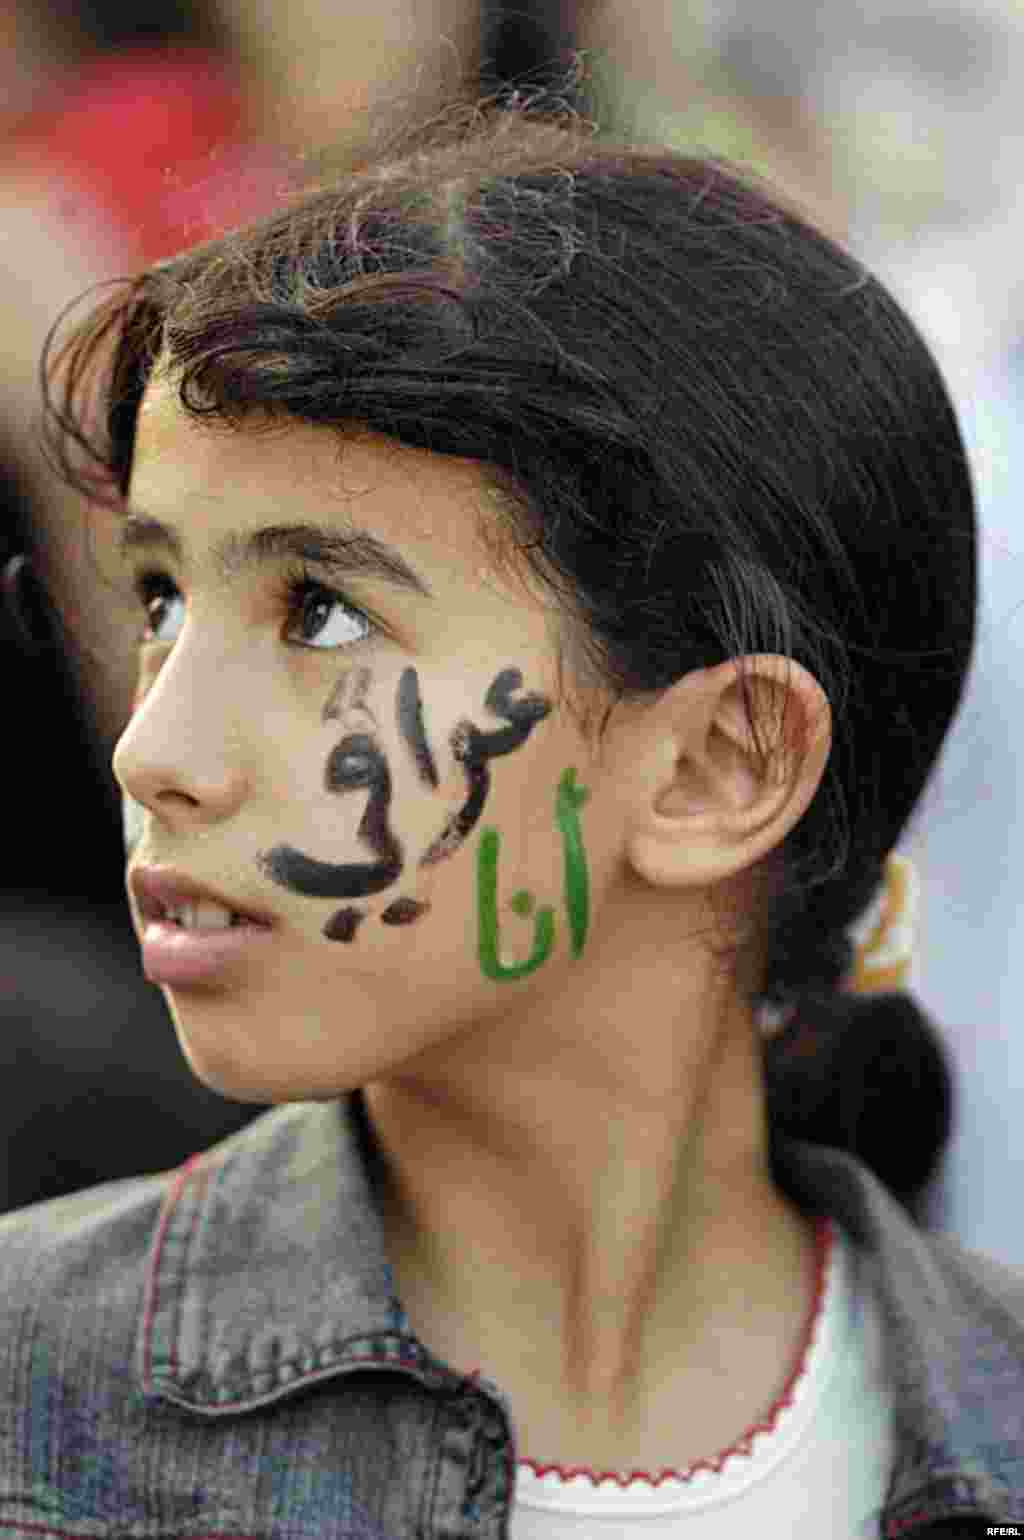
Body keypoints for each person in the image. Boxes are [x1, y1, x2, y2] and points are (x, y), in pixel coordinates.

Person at [0, 92, 1009, 1537]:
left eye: (323, 613)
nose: (152, 751)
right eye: (160, 597)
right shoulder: (31, 1403)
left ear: (716, 765)